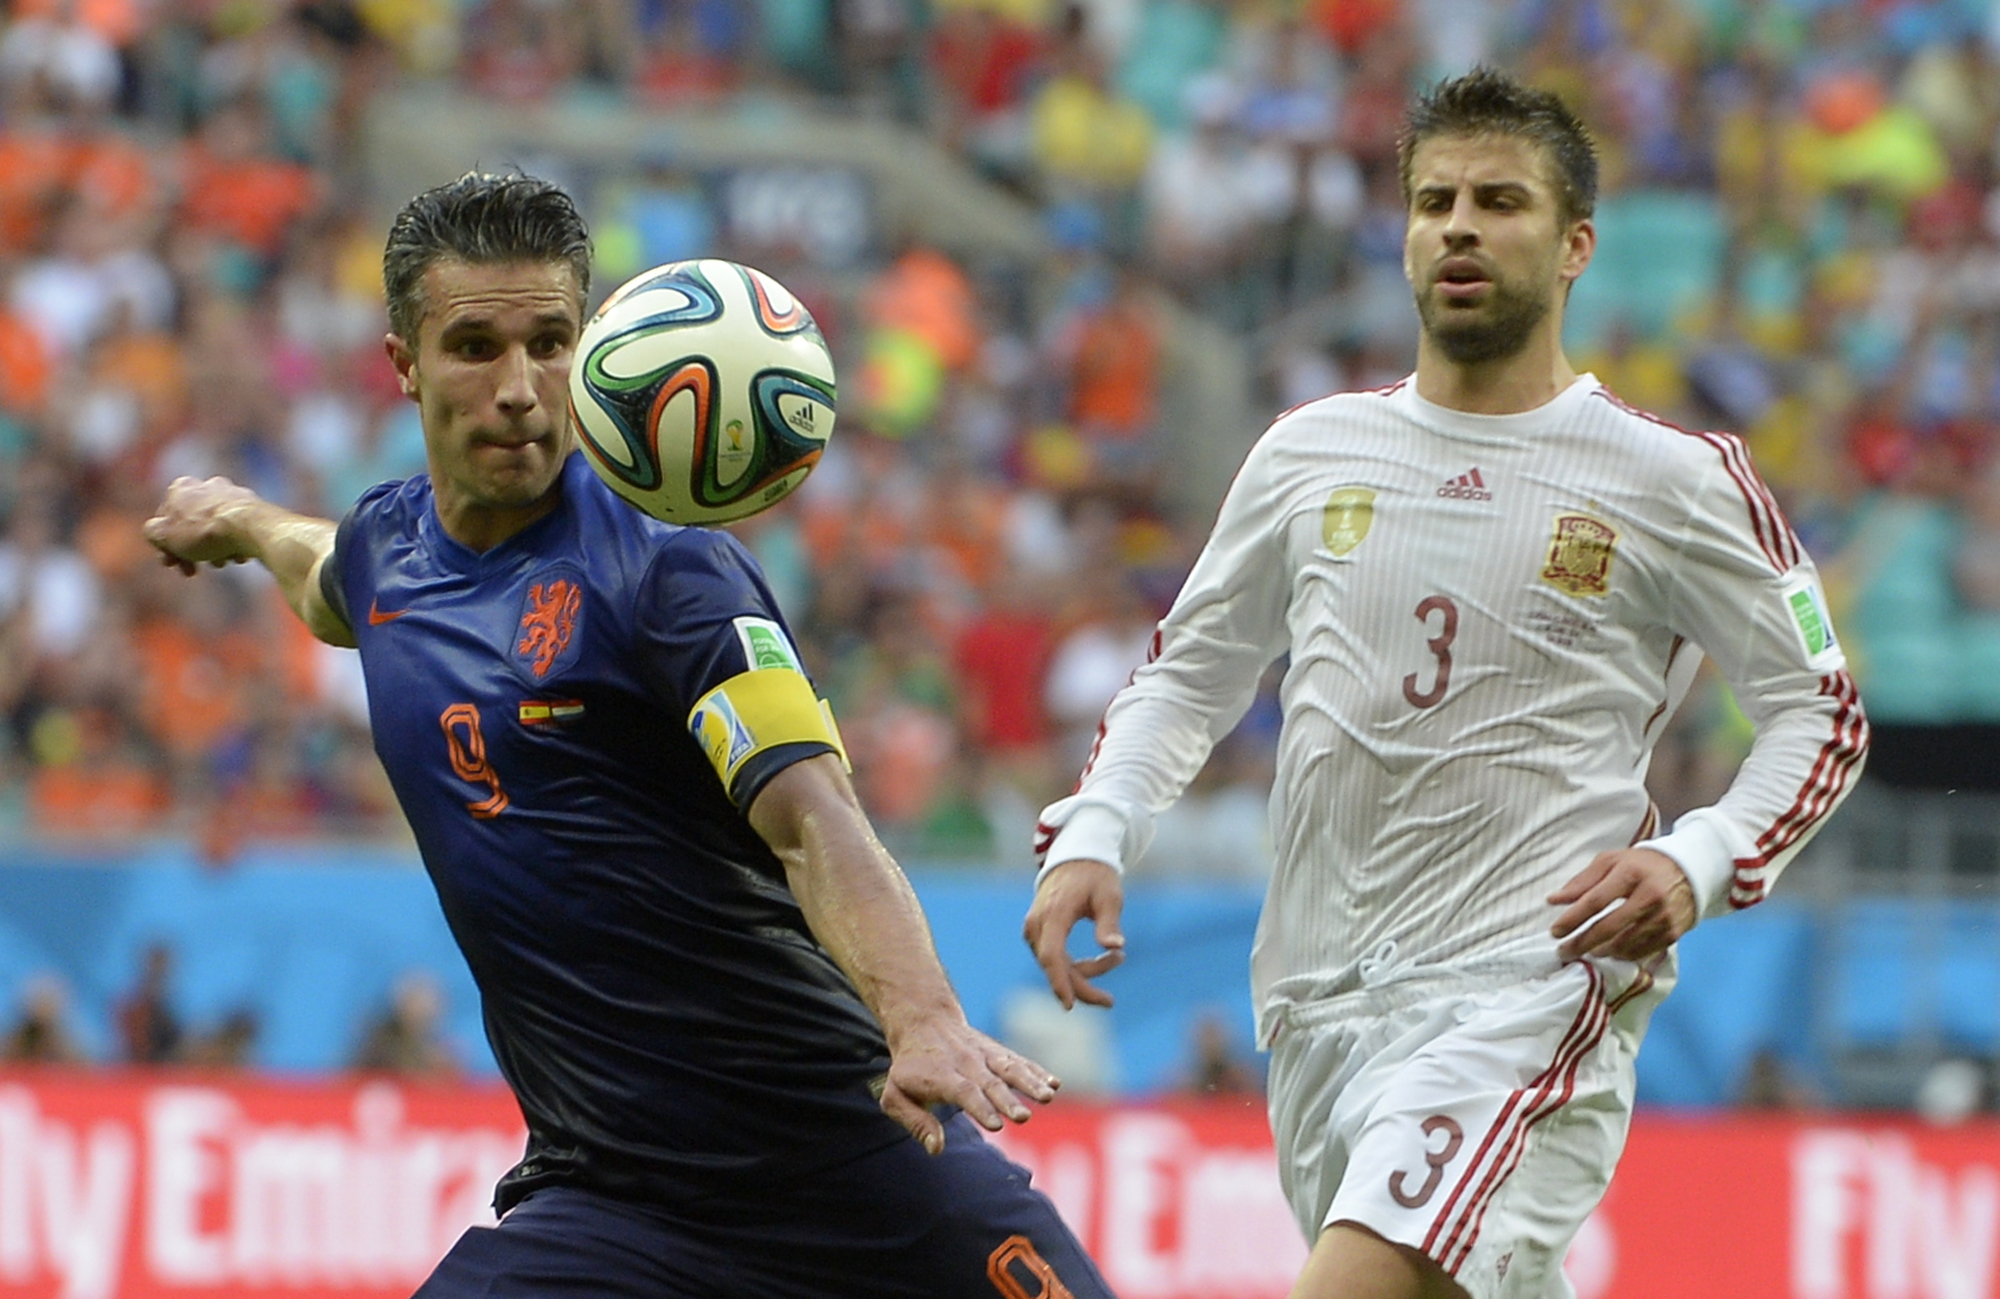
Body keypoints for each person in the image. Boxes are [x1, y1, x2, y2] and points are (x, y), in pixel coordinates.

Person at [144, 172, 1113, 1299]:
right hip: (607, 1203)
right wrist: (243, 522)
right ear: (403, 363)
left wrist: (924, 1017)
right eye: (474, 347)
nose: (518, 389)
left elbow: (812, 817)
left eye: (549, 342)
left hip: (846, 1169)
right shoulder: (386, 552)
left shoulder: (669, 570)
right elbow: (328, 581)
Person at [1024, 68, 1869, 1299]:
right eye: (1433, 202)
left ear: (1575, 245)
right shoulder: (1306, 455)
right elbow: (1186, 672)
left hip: (1523, 993)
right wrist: (1093, 826)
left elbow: (1820, 713)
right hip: (1315, 1005)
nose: (1458, 226)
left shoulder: (1677, 481)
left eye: (1499, 201)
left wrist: (1699, 860)